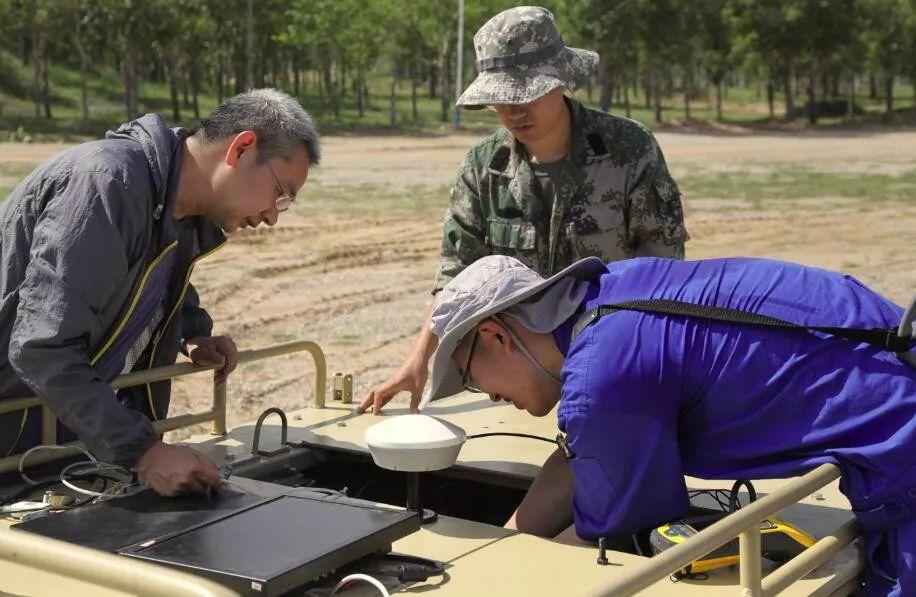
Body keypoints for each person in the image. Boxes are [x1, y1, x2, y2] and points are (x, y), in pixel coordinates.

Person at [421, 254, 916, 597]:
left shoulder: (601, 376)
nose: (484, 394)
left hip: (899, 442)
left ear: (495, 335)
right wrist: (509, 543)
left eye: (467, 374)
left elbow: (607, 534)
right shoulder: (612, 295)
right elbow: (583, 454)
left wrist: (504, 576)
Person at [360, 5, 687, 415]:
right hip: (519, 375)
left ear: (561, 81)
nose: (514, 110)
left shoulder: (629, 151)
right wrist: (417, 361)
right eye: (500, 97)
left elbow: (664, 272)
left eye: (527, 92)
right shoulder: (483, 168)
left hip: (614, 367)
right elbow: (455, 279)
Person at [0, 89, 320, 496]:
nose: (274, 215)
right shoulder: (109, 184)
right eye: (282, 193)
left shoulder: (174, 205)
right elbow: (41, 347)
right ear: (241, 148)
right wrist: (144, 452)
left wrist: (191, 331)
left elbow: (139, 277)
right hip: (15, 437)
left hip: (52, 436)